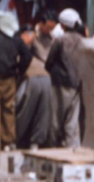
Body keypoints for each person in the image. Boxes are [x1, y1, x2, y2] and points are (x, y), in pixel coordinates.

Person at [0, 11, 33, 149]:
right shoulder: (16, 40)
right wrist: (19, 70)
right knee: (8, 110)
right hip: (9, 79)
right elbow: (27, 57)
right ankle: (9, 141)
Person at [45, 8, 87, 148]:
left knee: (56, 119)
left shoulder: (60, 40)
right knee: (72, 121)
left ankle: (53, 147)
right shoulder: (83, 41)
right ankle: (72, 149)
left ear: (62, 25)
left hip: (60, 84)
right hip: (77, 84)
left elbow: (49, 62)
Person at [15, 24, 54, 148]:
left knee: (25, 111)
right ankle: (36, 142)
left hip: (32, 78)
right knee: (42, 112)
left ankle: (17, 140)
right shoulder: (37, 43)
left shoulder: (19, 44)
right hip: (46, 77)